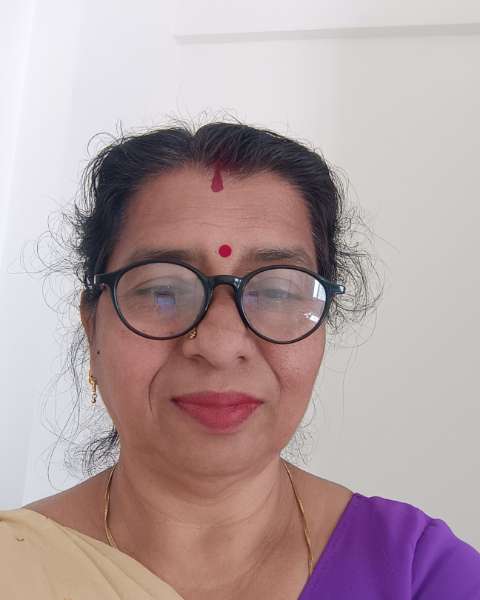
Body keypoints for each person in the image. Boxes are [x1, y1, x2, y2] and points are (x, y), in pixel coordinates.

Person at [1, 121, 479, 599]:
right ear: (92, 326)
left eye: (276, 292)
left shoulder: (419, 573)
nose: (220, 345)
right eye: (163, 291)